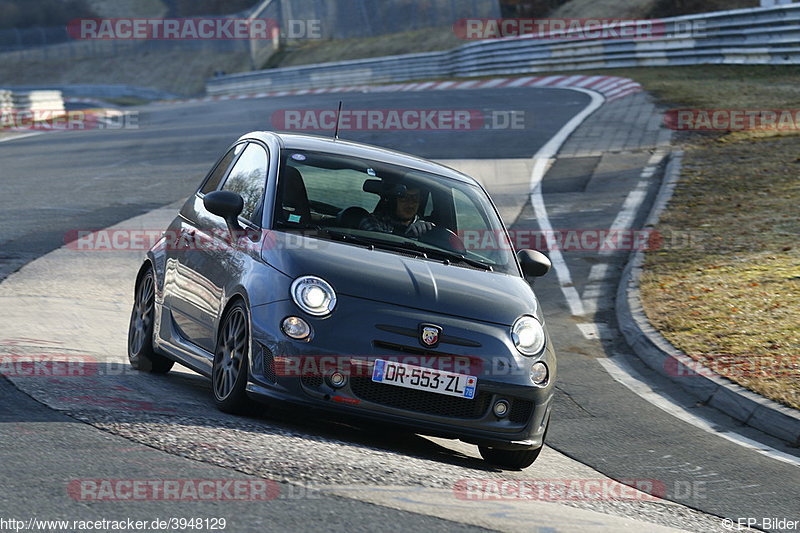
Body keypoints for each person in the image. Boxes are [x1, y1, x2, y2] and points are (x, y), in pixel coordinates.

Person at [359, 186, 434, 238]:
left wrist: (425, 230)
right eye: (404, 199)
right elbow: (376, 240)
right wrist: (409, 234)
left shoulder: (424, 227)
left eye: (415, 199)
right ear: (393, 201)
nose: (410, 205)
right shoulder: (372, 221)